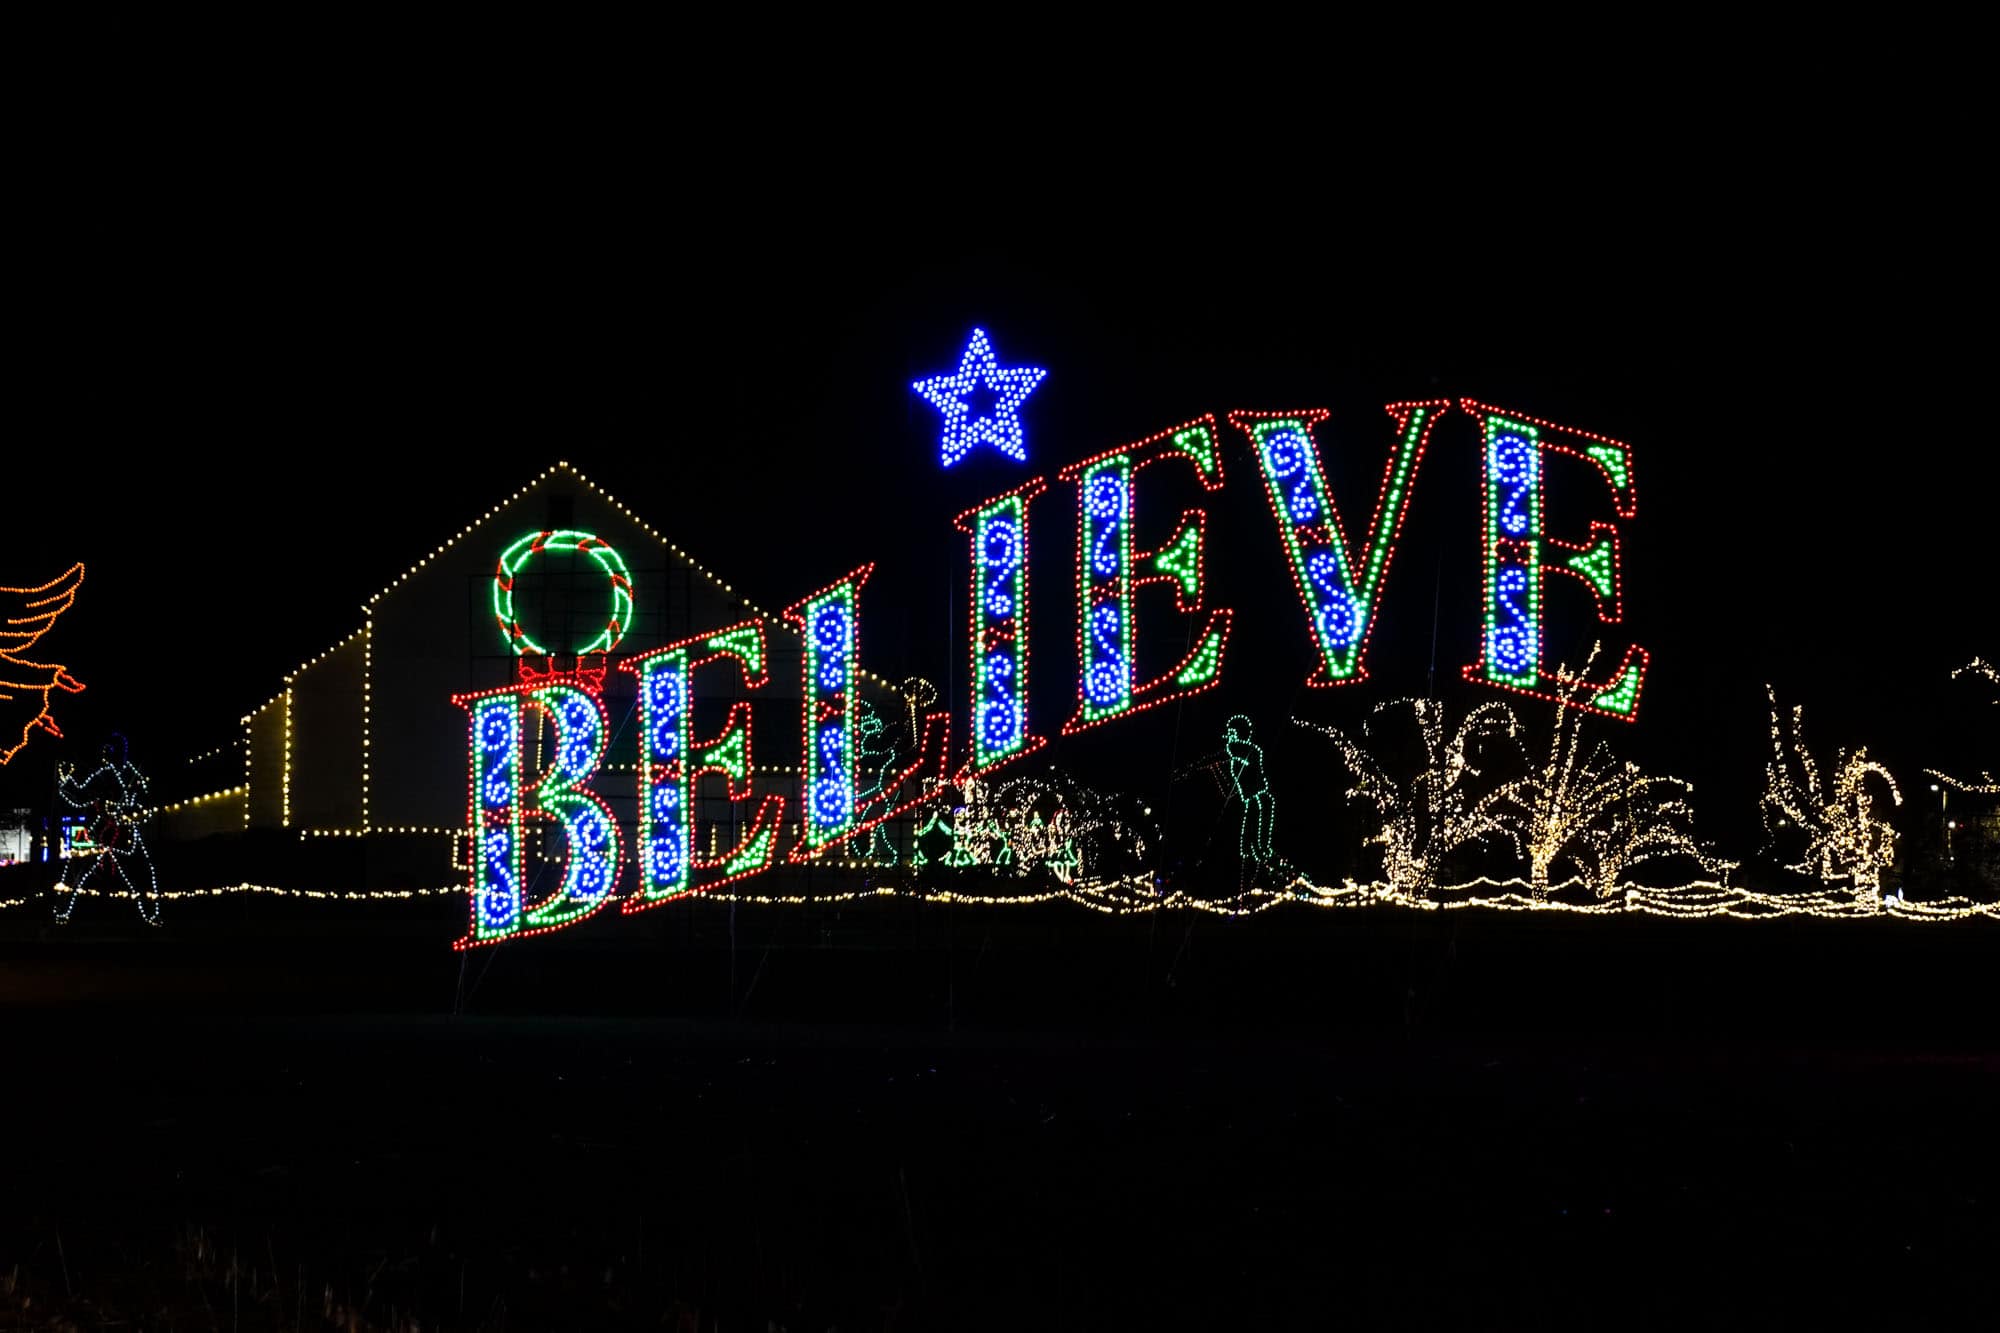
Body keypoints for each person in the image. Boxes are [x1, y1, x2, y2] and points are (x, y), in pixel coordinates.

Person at [53, 734, 160, 925]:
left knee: (143, 872)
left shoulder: (132, 776)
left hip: (125, 834)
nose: (106, 754)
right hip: (99, 831)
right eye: (105, 751)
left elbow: (145, 808)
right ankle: (61, 911)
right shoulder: (102, 775)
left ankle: (151, 915)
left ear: (121, 752)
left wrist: (127, 811)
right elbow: (80, 796)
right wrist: (66, 780)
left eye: (111, 750)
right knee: (76, 868)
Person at [1223, 714, 1274, 870]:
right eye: (1230, 732)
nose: (1230, 735)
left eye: (1233, 731)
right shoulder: (1235, 747)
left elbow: (1255, 761)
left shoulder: (1249, 748)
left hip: (1256, 784)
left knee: (1263, 807)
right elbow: (1244, 755)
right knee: (1254, 811)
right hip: (1249, 787)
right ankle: (1252, 848)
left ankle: (1259, 846)